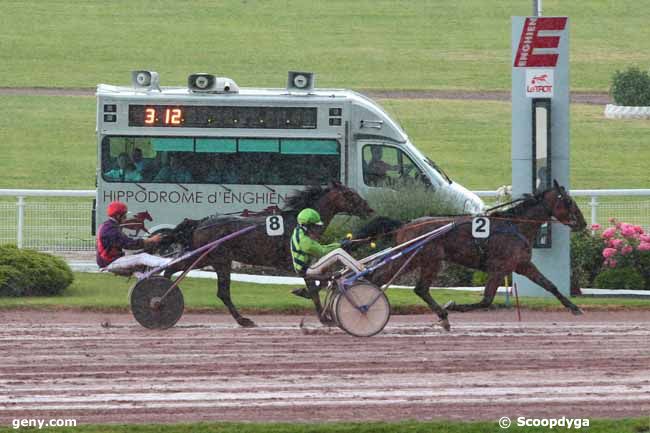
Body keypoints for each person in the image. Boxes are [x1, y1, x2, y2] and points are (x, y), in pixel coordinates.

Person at [290, 208, 363, 299]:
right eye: (314, 226)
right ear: (306, 225)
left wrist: (340, 243)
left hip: (308, 266)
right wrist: (340, 245)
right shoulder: (304, 241)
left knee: (337, 254)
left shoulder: (300, 231)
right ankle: (362, 271)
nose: (317, 229)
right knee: (338, 253)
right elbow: (322, 251)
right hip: (308, 270)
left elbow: (322, 249)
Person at [96, 201, 168, 274]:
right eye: (124, 215)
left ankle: (146, 281)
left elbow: (127, 244)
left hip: (111, 260)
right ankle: (167, 262)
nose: (126, 217)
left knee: (140, 256)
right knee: (142, 257)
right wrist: (150, 240)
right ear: (118, 216)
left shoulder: (109, 226)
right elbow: (129, 244)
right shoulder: (110, 229)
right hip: (109, 262)